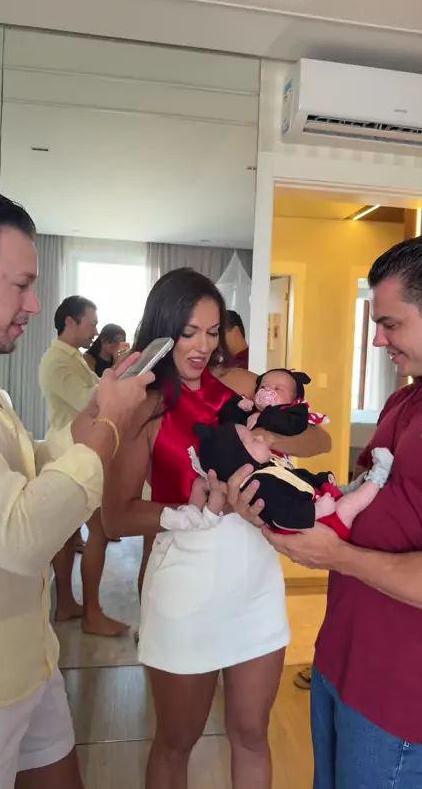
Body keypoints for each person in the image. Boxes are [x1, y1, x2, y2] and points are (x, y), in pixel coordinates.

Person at [255, 233, 422, 789]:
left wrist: (337, 555)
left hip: (405, 692)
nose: (377, 340)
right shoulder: (406, 398)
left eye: (390, 324)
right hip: (342, 656)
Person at [102, 267, 331, 789]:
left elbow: (321, 440)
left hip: (255, 582)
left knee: (252, 734)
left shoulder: (243, 386)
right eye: (189, 333)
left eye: (211, 331)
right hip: (185, 587)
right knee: (176, 742)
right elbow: (116, 515)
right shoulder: (143, 406)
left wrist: (265, 438)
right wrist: (188, 511)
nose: (203, 346)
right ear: (163, 330)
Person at [0, 192, 154, 789]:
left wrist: (93, 417)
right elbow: (20, 536)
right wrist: (108, 425)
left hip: (29, 659)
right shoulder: (55, 362)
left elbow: (28, 468)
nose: (35, 305)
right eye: (22, 285)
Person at [39, 297, 128, 637]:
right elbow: (90, 402)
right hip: (71, 451)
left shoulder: (73, 357)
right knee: (99, 532)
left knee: (68, 534)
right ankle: (91, 613)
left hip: (74, 450)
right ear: (70, 322)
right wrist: (119, 375)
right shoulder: (57, 361)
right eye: (91, 323)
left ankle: (67, 604)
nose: (95, 330)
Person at [161, 421, 392, 535]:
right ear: (240, 461)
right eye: (254, 440)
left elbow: (298, 478)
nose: (262, 439)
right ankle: (378, 477)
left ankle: (358, 485)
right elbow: (282, 517)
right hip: (321, 521)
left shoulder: (269, 467)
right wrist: (317, 511)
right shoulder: (260, 485)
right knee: (349, 505)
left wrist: (321, 479)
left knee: (345, 492)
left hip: (320, 503)